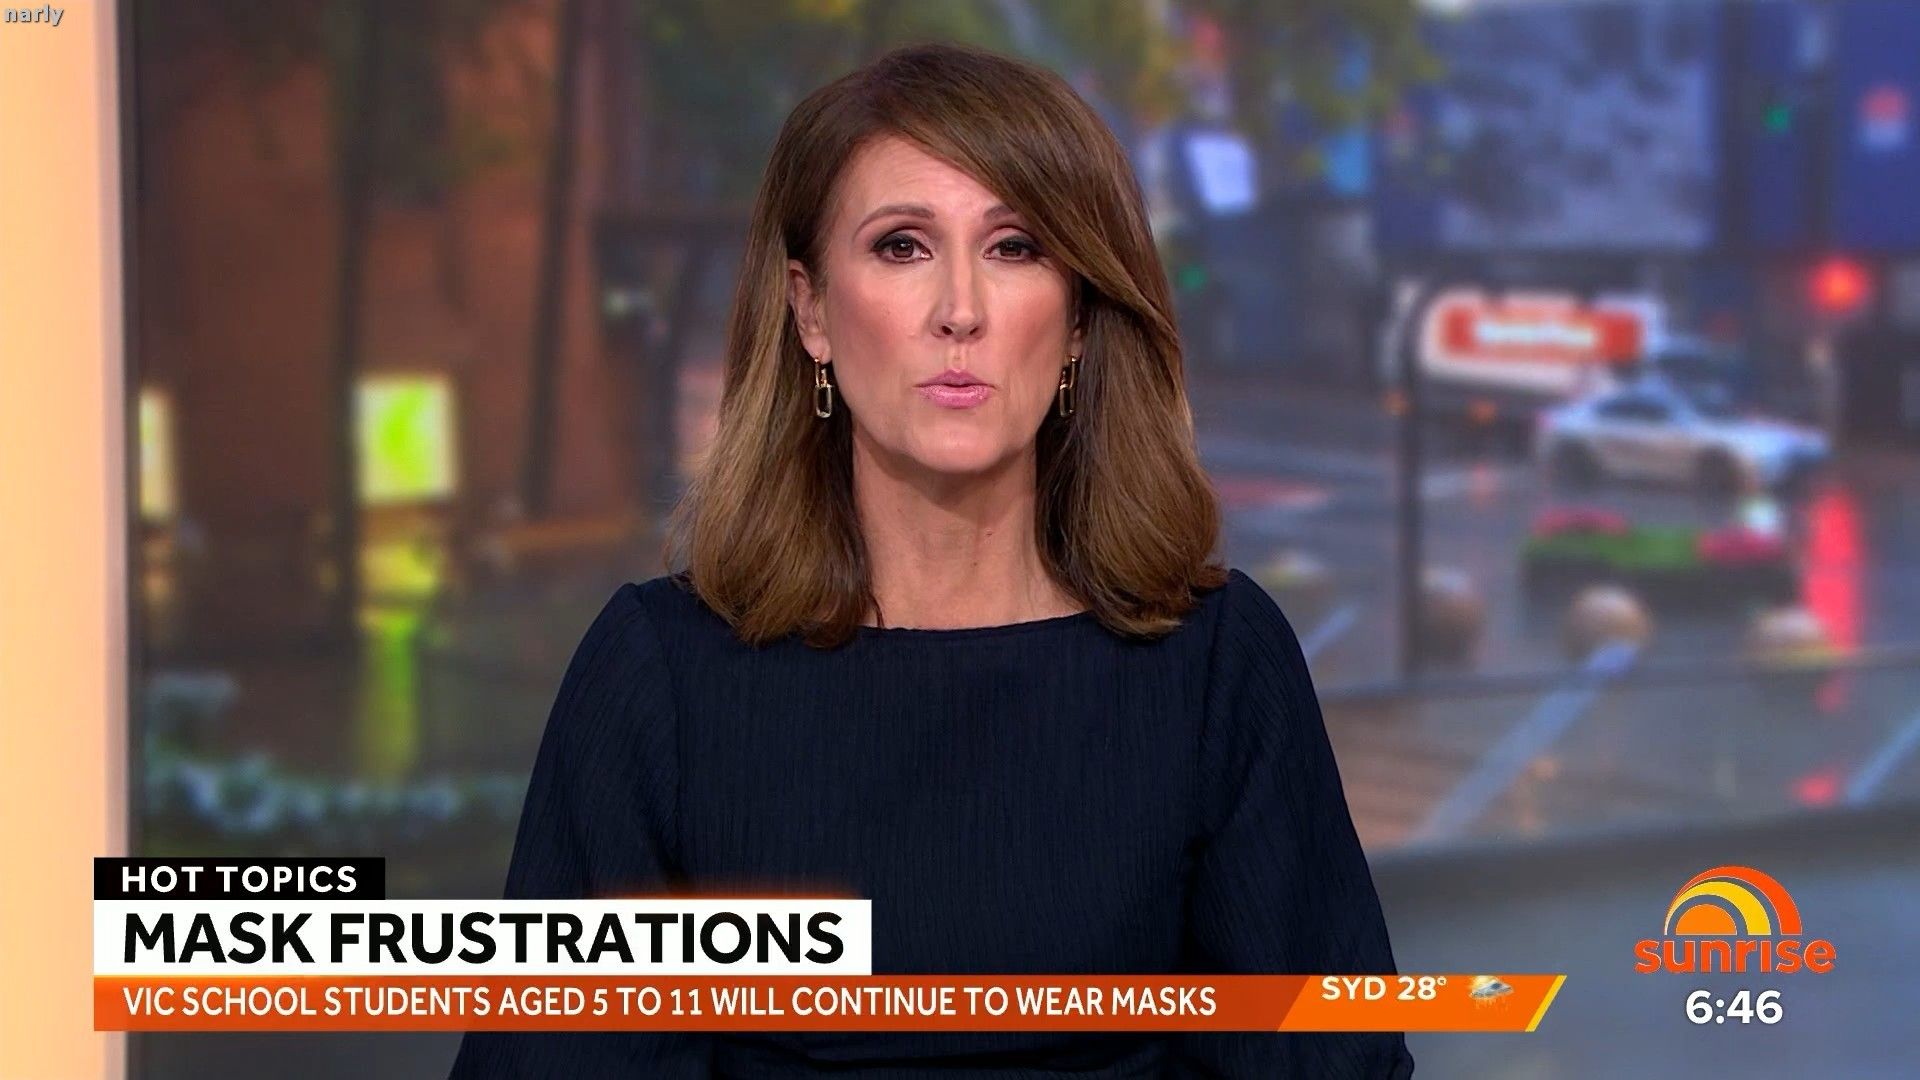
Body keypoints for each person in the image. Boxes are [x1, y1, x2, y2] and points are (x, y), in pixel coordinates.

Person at [450, 41, 1412, 1079]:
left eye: (1016, 247)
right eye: (902, 246)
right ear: (811, 311)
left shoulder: (1216, 667)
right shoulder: (658, 679)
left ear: (1078, 320)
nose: (962, 308)